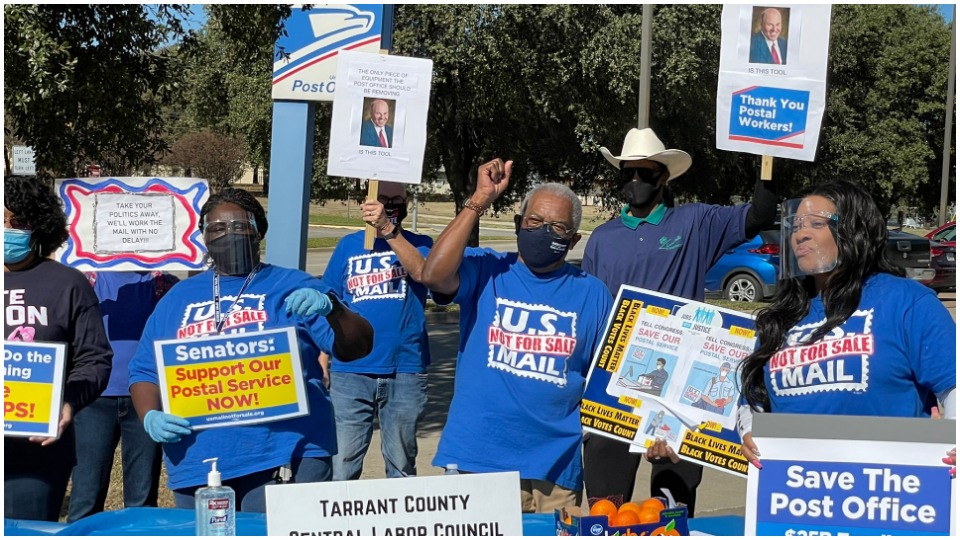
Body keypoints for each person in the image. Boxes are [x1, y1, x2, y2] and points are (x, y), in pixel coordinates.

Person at [128, 188, 374, 512]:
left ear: (259, 231)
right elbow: (145, 371)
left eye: (238, 226)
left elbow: (358, 346)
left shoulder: (292, 285)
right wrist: (150, 416)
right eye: (216, 228)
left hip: (287, 454)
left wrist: (333, 309)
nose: (227, 234)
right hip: (199, 460)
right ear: (203, 236)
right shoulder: (177, 298)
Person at [581, 127, 777, 516]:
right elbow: (593, 315)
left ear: (664, 176)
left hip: (682, 398)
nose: (636, 181)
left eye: (646, 173)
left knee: (669, 512)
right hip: (616, 388)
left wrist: (769, 158)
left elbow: (761, 214)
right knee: (606, 509)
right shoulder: (602, 238)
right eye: (628, 173)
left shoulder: (694, 222)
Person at [415, 159, 614, 513]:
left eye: (557, 227)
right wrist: (479, 198)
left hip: (556, 469)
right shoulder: (486, 269)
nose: (543, 231)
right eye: (535, 222)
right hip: (479, 457)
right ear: (518, 224)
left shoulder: (594, 294)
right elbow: (433, 275)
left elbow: (611, 380)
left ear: (573, 240)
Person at [737, 180, 955, 468]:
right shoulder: (782, 318)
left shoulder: (908, 302)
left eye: (816, 224)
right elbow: (752, 398)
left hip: (892, 493)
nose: (800, 234)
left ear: (853, 230)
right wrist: (750, 429)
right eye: (796, 225)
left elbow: (952, 384)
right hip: (797, 497)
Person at [4, 176, 112, 521]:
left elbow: (95, 359)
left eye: (17, 222)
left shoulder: (68, 284)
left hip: (35, 452)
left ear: (39, 227)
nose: (6, 229)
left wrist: (68, 402)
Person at [317, 181, 433, 480]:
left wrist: (387, 229)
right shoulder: (348, 246)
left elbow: (424, 273)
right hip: (350, 370)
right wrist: (322, 353)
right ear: (365, 203)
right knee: (343, 464)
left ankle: (400, 526)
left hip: (405, 368)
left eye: (397, 199)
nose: (390, 205)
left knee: (401, 465)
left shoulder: (420, 244)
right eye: (382, 199)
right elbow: (330, 303)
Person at [67, 271, 179, 522]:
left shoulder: (165, 284)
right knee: (86, 492)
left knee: (142, 498)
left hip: (148, 402)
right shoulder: (86, 281)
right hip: (93, 400)